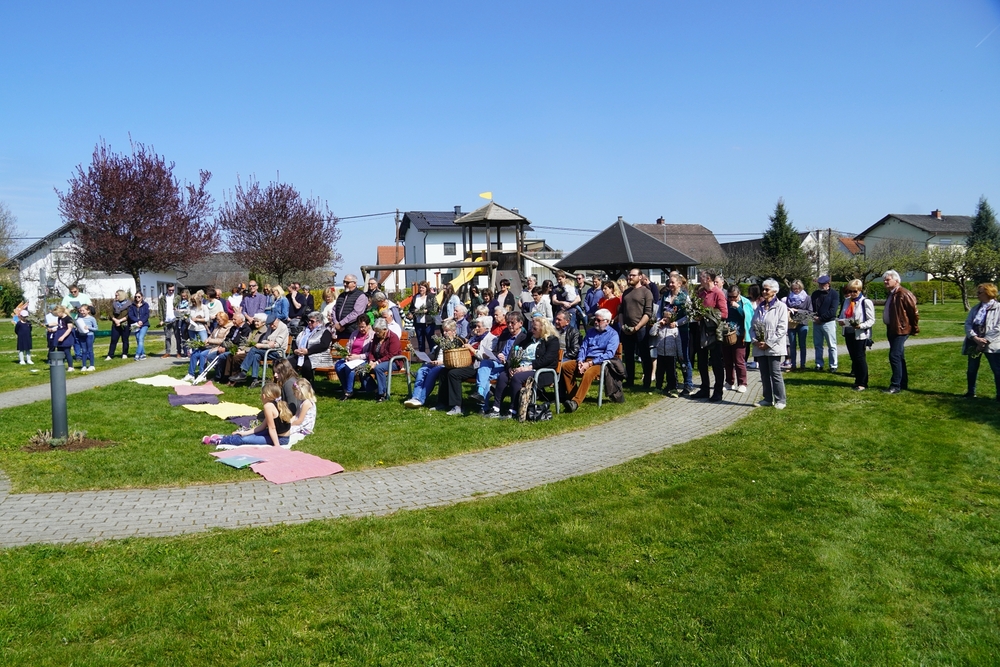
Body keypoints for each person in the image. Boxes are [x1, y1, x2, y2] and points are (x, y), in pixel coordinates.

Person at [488, 316, 560, 419]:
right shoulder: (529, 338)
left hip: (541, 371)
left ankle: (513, 410)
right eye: (531, 328)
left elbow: (547, 359)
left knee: (517, 378)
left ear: (543, 329)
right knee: (503, 376)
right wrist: (512, 367)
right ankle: (496, 408)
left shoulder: (552, 340)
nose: (532, 330)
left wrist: (527, 368)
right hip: (522, 367)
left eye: (535, 328)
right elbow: (516, 352)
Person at [561, 308, 621, 412]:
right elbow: (583, 348)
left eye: (598, 320)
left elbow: (609, 354)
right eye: (595, 320)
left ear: (607, 321)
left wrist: (590, 363)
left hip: (601, 363)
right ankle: (573, 396)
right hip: (586, 360)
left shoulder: (613, 334)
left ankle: (575, 403)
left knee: (588, 373)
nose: (595, 322)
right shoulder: (590, 332)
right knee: (566, 366)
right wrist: (580, 361)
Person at [204, 383, 292, 448]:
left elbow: (272, 428)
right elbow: (263, 426)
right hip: (280, 436)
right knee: (245, 436)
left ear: (264, 396)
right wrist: (243, 433)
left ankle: (219, 440)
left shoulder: (268, 406)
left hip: (280, 439)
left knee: (244, 440)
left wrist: (277, 446)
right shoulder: (276, 404)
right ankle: (226, 437)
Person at [438, 316, 498, 410]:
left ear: (486, 328)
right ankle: (442, 402)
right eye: (476, 326)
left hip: (477, 366)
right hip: (465, 362)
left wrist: (472, 349)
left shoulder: (492, 339)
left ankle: (457, 406)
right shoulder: (474, 338)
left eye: (479, 326)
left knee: (454, 374)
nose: (476, 329)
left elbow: (486, 357)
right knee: (443, 371)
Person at [404, 318, 461, 408]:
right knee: (421, 371)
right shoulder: (442, 341)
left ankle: (421, 399)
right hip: (435, 363)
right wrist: (425, 358)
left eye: (447, 331)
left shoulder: (457, 342)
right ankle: (415, 397)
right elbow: (434, 354)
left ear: (454, 331)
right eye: (444, 331)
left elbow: (455, 358)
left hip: (445, 365)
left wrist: (440, 362)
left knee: (431, 373)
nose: (444, 333)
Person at [482, 312, 529, 417]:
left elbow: (520, 357)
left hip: (509, 366)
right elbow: (496, 351)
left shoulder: (523, 338)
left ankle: (485, 404)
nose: (510, 325)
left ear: (520, 323)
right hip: (497, 362)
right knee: (484, 365)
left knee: (494, 376)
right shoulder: (505, 334)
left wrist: (506, 361)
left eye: (513, 323)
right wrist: (491, 355)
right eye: (508, 323)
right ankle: (488, 403)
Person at [751, 279, 789, 409]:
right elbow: (752, 326)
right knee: (764, 373)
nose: (764, 291)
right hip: (760, 346)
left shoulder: (781, 307)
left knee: (775, 373)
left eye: (767, 289)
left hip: (774, 346)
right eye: (763, 289)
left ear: (774, 291)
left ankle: (780, 400)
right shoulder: (760, 307)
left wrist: (768, 343)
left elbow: (782, 329)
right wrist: (755, 340)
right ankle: (767, 398)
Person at [692, 269, 728, 401]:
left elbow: (724, 314)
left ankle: (718, 391)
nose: (699, 279)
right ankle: (704, 389)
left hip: (714, 333)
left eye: (701, 277)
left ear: (708, 279)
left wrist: (707, 314)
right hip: (701, 331)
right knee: (702, 362)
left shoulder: (718, 293)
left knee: (716, 362)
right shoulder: (701, 293)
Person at [882, 270, 919, 394]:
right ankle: (903, 383)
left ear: (896, 280)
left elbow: (914, 312)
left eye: (888, 279)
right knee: (899, 356)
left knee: (894, 355)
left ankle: (895, 385)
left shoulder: (903, 293)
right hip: (892, 328)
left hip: (901, 329)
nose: (885, 282)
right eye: (884, 280)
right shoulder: (892, 294)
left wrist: (914, 327)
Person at [962, 283, 1000, 400]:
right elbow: (968, 324)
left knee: (997, 370)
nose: (977, 295)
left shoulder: (998, 308)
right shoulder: (975, 308)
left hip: (992, 344)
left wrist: (985, 341)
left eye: (980, 293)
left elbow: (998, 327)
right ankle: (971, 392)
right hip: (974, 342)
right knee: (972, 369)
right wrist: (975, 338)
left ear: (988, 293)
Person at [618, 268, 654, 391]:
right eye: (629, 275)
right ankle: (630, 380)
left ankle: (647, 383)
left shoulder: (646, 292)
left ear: (640, 277)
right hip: (626, 329)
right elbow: (621, 311)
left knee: (644, 356)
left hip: (641, 329)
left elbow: (648, 313)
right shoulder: (626, 292)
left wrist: (637, 327)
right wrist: (622, 326)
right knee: (628, 356)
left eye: (633, 275)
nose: (630, 277)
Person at [229, 316, 289, 386]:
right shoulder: (270, 327)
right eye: (270, 325)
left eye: (273, 324)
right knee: (256, 355)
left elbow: (277, 345)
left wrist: (262, 345)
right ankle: (255, 380)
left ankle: (243, 372)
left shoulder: (283, 328)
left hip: (278, 352)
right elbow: (263, 340)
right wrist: (268, 342)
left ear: (277, 320)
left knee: (254, 349)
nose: (271, 326)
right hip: (268, 350)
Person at [838, 279, 875, 392]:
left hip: (860, 334)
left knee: (860, 358)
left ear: (860, 290)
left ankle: (863, 383)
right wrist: (841, 321)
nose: (852, 294)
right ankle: (857, 380)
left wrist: (861, 326)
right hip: (848, 332)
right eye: (850, 291)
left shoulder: (865, 302)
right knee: (853, 357)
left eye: (855, 291)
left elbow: (871, 320)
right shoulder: (847, 301)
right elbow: (842, 315)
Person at [662, 272, 694, 394]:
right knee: (670, 358)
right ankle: (671, 383)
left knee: (683, 357)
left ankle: (688, 384)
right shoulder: (666, 296)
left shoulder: (684, 297)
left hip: (681, 331)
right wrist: (662, 320)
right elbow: (660, 311)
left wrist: (677, 323)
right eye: (669, 282)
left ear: (679, 284)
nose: (670, 284)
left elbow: (690, 315)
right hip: (667, 331)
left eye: (673, 282)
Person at [184, 312, 233, 382]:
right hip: (211, 345)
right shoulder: (218, 326)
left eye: (219, 320)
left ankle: (202, 374)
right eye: (217, 320)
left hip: (219, 347)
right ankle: (191, 374)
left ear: (224, 319)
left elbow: (223, 340)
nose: (217, 321)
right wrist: (207, 341)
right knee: (194, 353)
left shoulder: (229, 328)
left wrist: (210, 341)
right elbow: (212, 335)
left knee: (203, 354)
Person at [649, 300, 684, 397]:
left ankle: (673, 388)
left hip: (671, 354)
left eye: (667, 317)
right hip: (661, 353)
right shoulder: (660, 327)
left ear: (671, 318)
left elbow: (678, 342)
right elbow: (651, 333)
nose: (665, 319)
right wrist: (657, 324)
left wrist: (680, 354)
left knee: (671, 372)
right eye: (664, 316)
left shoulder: (674, 329)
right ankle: (658, 387)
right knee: (660, 371)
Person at [723, 285, 753, 393]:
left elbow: (748, 317)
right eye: (729, 296)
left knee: (739, 360)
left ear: (739, 294)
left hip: (740, 335)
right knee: (727, 360)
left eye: (734, 297)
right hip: (727, 333)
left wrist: (738, 307)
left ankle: (742, 383)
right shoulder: (726, 302)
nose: (731, 299)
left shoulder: (745, 302)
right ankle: (729, 382)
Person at [335, 317, 374, 399]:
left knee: (349, 367)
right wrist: (347, 354)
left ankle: (349, 392)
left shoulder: (372, 335)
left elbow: (371, 353)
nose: (361, 329)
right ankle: (346, 388)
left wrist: (357, 357)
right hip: (351, 357)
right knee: (338, 366)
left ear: (368, 325)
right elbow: (348, 346)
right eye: (359, 327)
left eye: (363, 327)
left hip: (363, 359)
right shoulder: (354, 333)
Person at [291, 311, 334, 383]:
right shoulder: (304, 331)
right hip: (301, 355)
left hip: (318, 356)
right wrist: (295, 350)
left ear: (319, 322)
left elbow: (324, 345)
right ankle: (291, 384)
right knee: (287, 363)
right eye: (309, 320)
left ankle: (308, 385)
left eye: (312, 321)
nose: (309, 322)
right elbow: (295, 341)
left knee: (306, 366)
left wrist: (308, 351)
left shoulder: (325, 332)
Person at [811, 275, 841, 372]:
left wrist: (821, 318)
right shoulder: (815, 294)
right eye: (820, 284)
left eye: (823, 284)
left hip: (829, 322)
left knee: (832, 345)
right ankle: (819, 364)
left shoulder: (834, 294)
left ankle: (833, 365)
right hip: (816, 322)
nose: (821, 286)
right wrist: (814, 317)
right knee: (818, 345)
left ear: (828, 284)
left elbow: (833, 310)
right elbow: (812, 308)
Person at [367, 318, 401, 402]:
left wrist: (377, 362)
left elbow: (392, 355)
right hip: (379, 361)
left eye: (378, 331)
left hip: (394, 361)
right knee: (362, 368)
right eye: (375, 331)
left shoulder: (393, 337)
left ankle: (382, 394)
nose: (377, 333)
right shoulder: (376, 336)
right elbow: (371, 351)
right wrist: (371, 360)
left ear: (385, 329)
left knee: (378, 368)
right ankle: (375, 389)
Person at [782, 279, 812, 371]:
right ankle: (793, 365)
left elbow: (810, 312)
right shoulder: (789, 297)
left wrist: (798, 311)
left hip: (802, 323)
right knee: (792, 344)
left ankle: (803, 365)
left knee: (802, 345)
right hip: (791, 323)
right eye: (794, 288)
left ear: (801, 288)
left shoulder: (807, 298)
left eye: (798, 288)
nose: (796, 290)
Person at [409, 281, 438, 354]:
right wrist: (414, 311)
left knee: (430, 340)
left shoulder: (431, 296)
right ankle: (422, 357)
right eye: (420, 287)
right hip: (418, 323)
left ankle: (433, 355)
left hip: (428, 323)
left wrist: (427, 311)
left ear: (426, 288)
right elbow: (411, 308)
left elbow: (436, 308)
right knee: (420, 341)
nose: (421, 289)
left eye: (422, 288)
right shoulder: (415, 297)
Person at [287, 378, 317, 446]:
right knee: (283, 429)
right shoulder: (303, 402)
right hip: (299, 424)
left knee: (285, 432)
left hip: (304, 427)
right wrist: (289, 422)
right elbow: (296, 415)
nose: (294, 395)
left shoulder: (306, 403)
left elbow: (300, 420)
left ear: (300, 392)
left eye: (295, 393)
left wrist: (289, 425)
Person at [158, 283, 183, 358]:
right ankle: (167, 352)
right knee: (167, 337)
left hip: (176, 319)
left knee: (177, 337)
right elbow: (160, 309)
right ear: (167, 289)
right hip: (166, 320)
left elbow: (182, 307)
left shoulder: (178, 297)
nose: (171, 291)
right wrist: (161, 319)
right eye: (170, 290)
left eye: (173, 290)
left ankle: (179, 352)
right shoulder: (162, 298)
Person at [107, 289, 131, 360]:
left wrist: (120, 320)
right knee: (113, 340)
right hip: (115, 324)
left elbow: (129, 314)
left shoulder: (129, 304)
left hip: (125, 324)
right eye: (115, 295)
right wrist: (115, 320)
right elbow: (110, 313)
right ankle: (110, 355)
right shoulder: (114, 303)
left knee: (125, 339)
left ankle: (124, 353)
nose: (116, 296)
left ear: (121, 295)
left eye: (117, 295)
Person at [128, 292, 151, 360]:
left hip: (144, 324)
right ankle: (143, 354)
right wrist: (137, 321)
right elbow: (130, 315)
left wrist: (141, 321)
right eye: (136, 297)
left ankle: (137, 354)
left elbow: (147, 315)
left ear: (142, 297)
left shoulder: (145, 305)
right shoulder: (132, 306)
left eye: (139, 297)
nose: (137, 298)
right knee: (138, 338)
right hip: (135, 324)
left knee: (140, 338)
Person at [75, 304, 98, 371]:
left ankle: (92, 365)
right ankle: (84, 365)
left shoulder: (92, 318)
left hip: (89, 335)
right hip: (82, 335)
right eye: (80, 311)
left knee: (90, 350)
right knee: (84, 350)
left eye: (83, 311)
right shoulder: (79, 318)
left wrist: (89, 328)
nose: (82, 312)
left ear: (88, 311)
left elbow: (96, 328)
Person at [52, 305, 76, 370]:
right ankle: (60, 366)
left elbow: (69, 329)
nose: (56, 315)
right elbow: (60, 326)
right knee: (60, 352)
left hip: (66, 337)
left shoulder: (68, 318)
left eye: (57, 314)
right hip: (59, 335)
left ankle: (70, 366)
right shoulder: (59, 318)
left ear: (61, 312)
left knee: (67, 352)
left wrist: (63, 337)